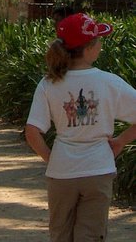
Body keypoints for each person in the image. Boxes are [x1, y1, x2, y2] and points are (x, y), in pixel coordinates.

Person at [25, 13, 136, 242]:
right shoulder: (109, 81)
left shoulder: (48, 84)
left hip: (61, 172)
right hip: (98, 169)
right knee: (91, 235)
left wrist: (50, 157)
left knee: (60, 234)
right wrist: (120, 141)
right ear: (89, 49)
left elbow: (32, 131)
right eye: (99, 41)